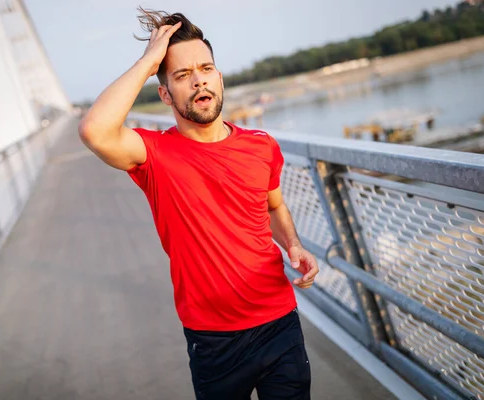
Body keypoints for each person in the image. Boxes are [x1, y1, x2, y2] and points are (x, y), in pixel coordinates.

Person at [78, 8, 319, 400]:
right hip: (214, 342)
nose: (198, 81)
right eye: (181, 75)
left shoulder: (261, 145)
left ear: (219, 77)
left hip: (280, 324)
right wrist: (148, 61)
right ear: (164, 92)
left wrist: (292, 243)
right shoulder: (153, 153)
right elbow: (94, 130)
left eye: (205, 68)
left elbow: (273, 206)